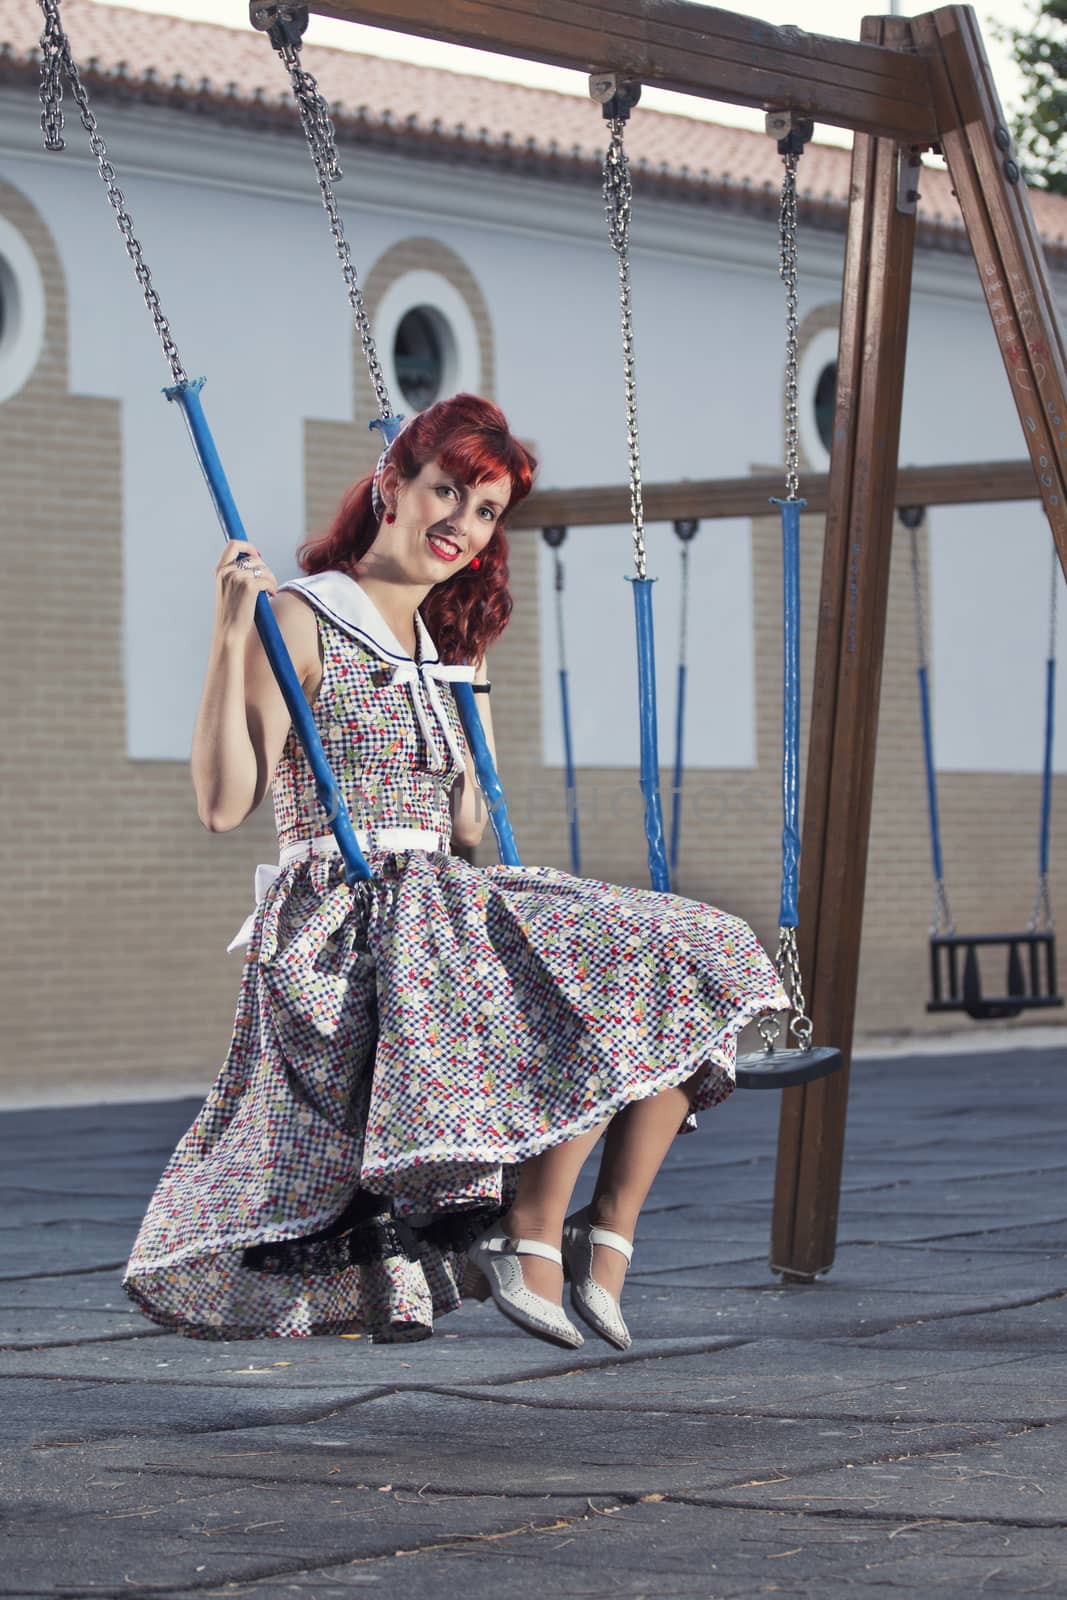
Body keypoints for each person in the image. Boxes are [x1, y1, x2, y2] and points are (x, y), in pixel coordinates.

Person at [123, 394, 787, 1351]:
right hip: (357, 909)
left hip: (437, 893)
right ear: (391, 487)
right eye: (449, 492)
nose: (462, 526)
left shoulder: (440, 647)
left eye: (486, 512)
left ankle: (603, 1240)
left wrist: (465, 713)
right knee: (603, 986)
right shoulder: (302, 616)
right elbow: (226, 803)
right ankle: (529, 1237)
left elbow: (466, 824)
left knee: (700, 951)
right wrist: (232, 634)